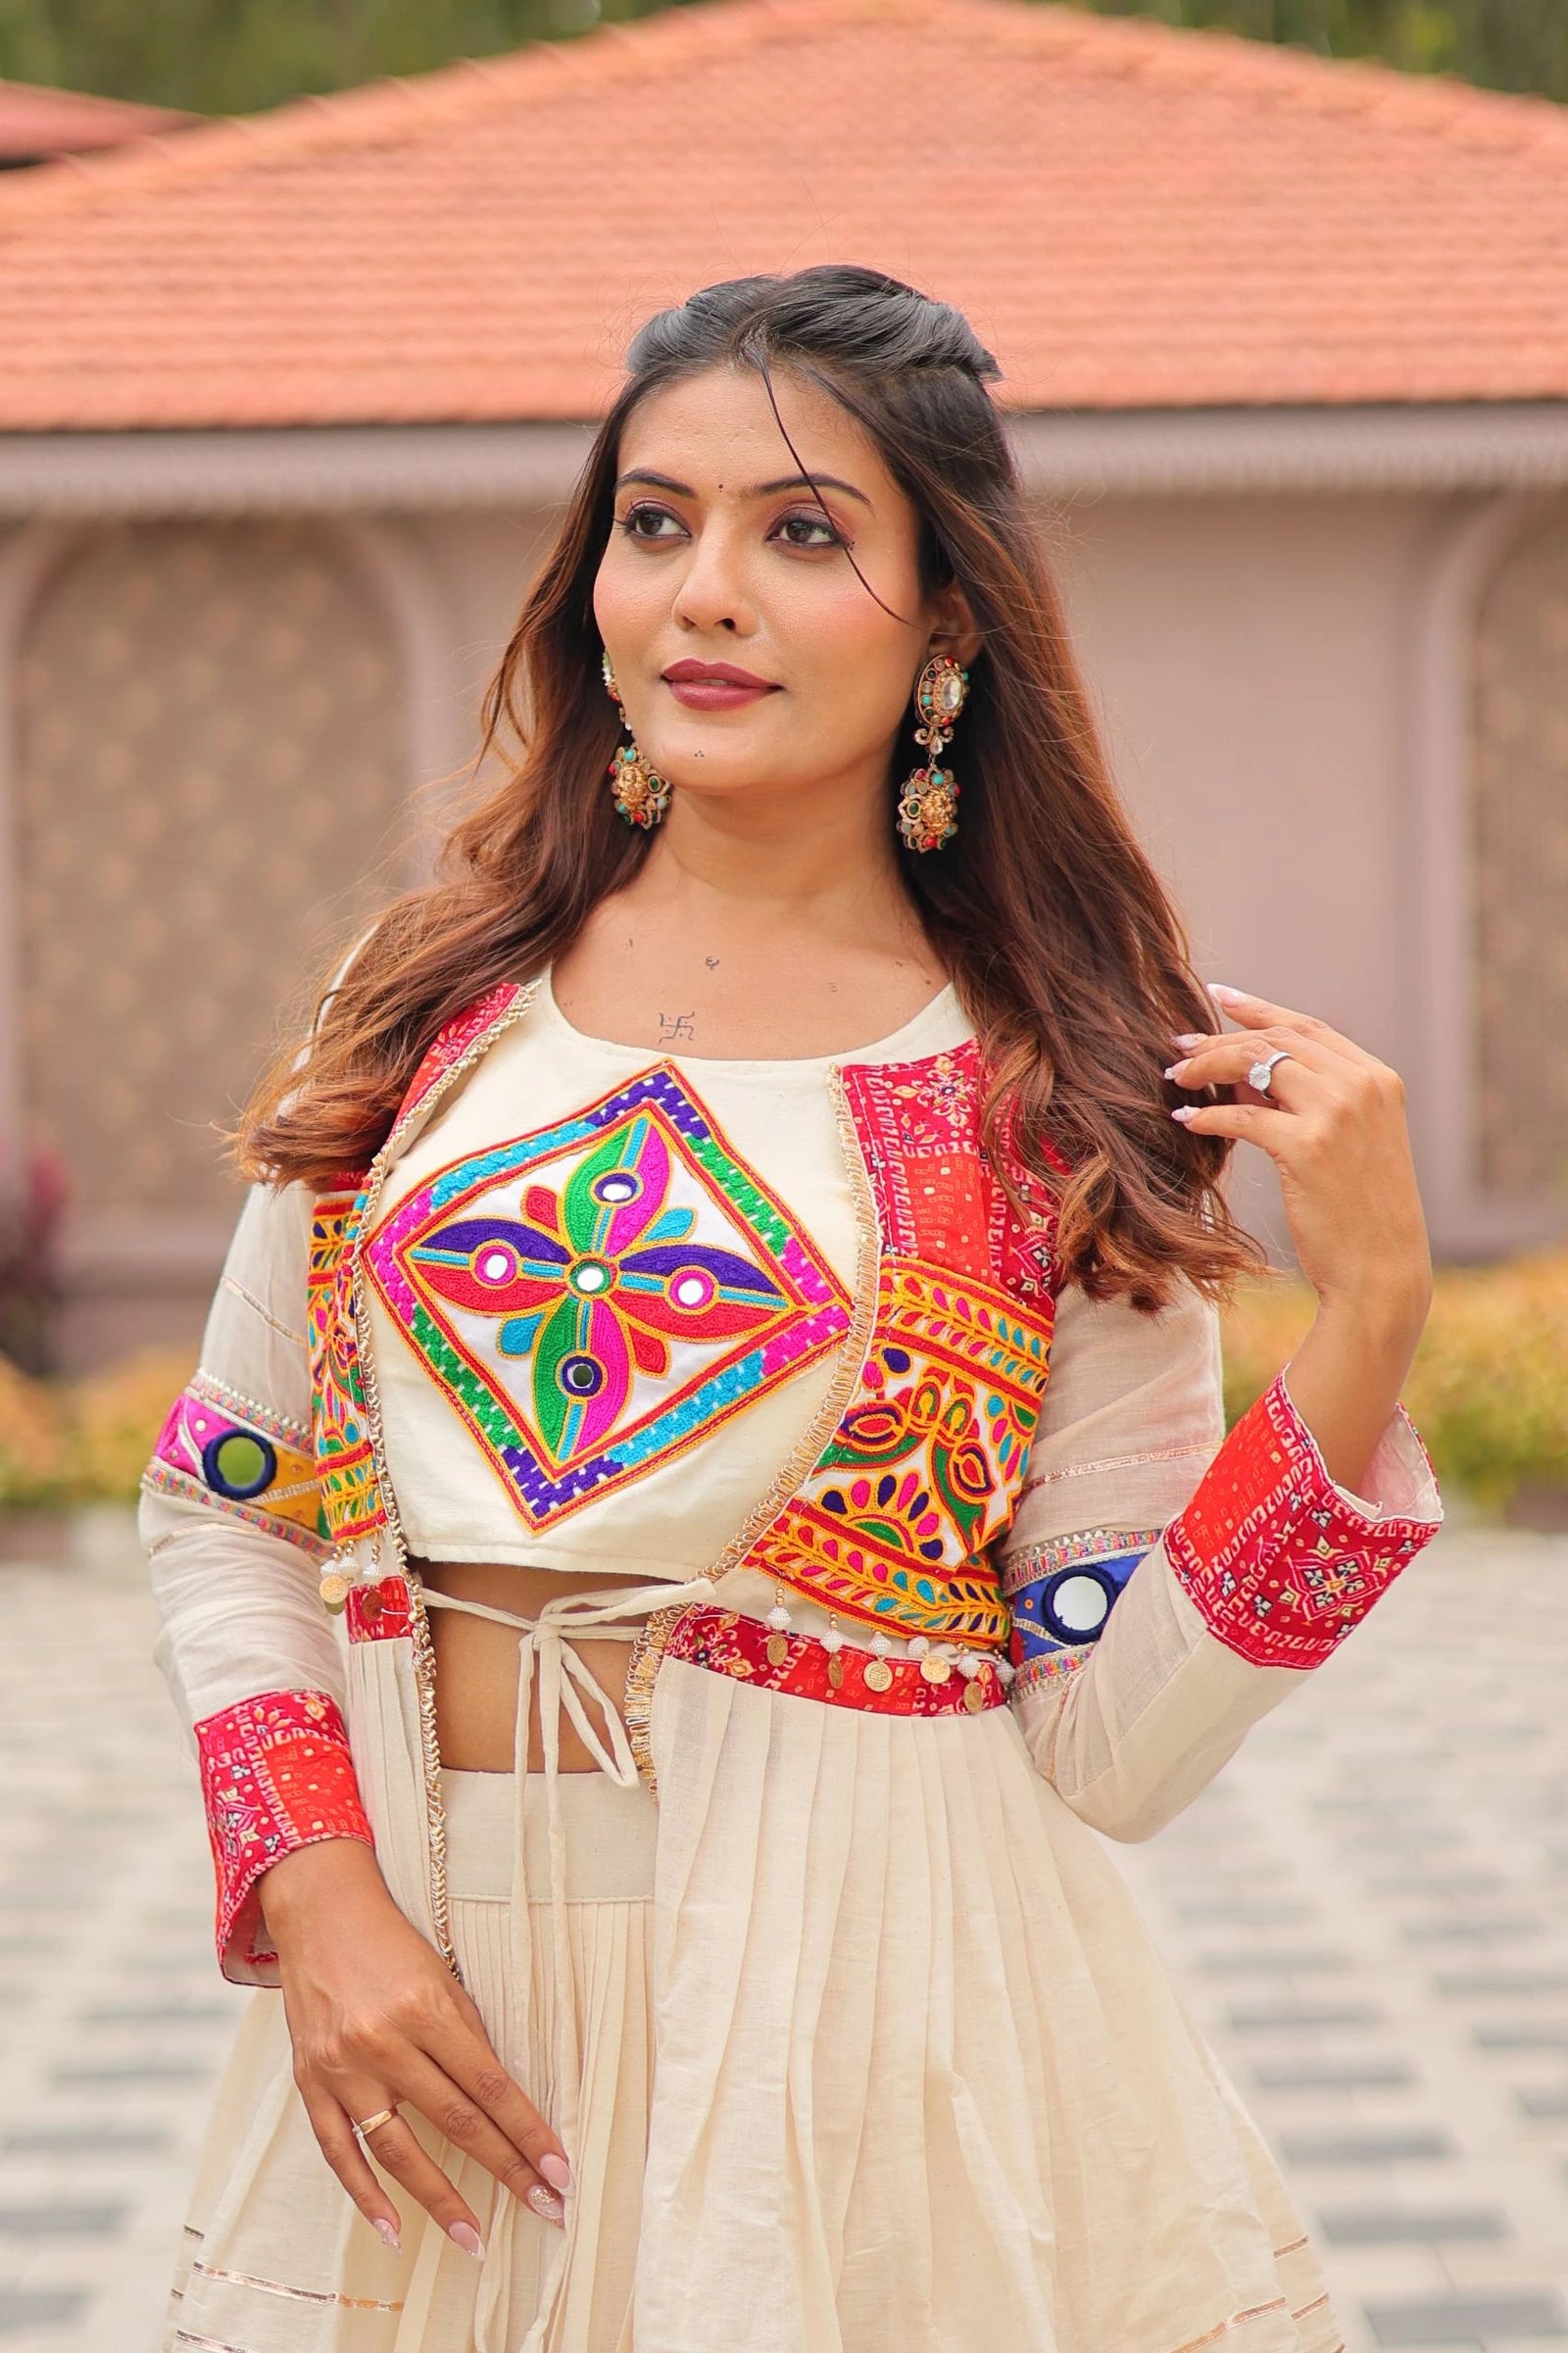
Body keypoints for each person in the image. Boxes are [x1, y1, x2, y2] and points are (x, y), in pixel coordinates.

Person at [143, 265, 1440, 2353]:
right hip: (423, 2039)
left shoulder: (1046, 1095)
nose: (706, 594)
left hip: (856, 2051)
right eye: (655, 523)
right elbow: (226, 1498)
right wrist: (316, 1893)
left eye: (804, 532)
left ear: (947, 625)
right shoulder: (424, 1016)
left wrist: (1367, 1308)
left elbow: (1109, 1744)